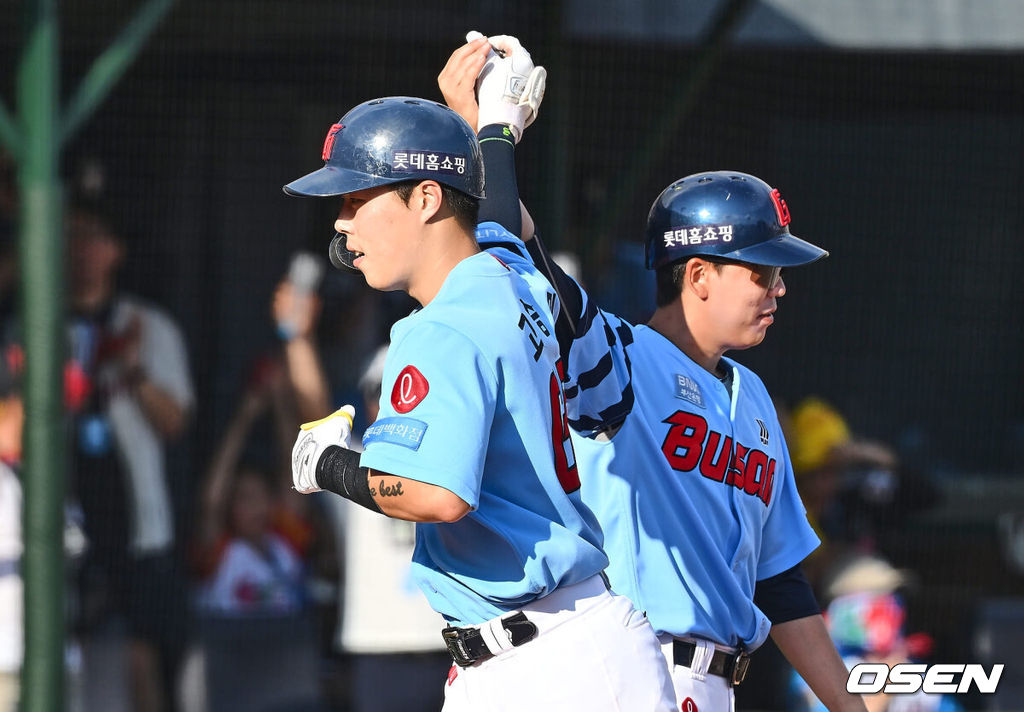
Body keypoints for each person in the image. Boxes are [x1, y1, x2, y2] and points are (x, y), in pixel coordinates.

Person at [439, 35, 868, 712]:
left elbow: (781, 582)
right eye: (761, 272)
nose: (778, 289)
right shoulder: (615, 355)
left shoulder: (753, 397)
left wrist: (850, 705)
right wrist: (487, 132)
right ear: (697, 275)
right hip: (619, 671)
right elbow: (514, 249)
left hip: (713, 686)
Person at [281, 76, 675, 709]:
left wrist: (327, 463)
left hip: (549, 666)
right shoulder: (510, 273)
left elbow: (436, 496)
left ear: (427, 197)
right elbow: (497, 220)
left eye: (357, 199)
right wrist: (491, 130)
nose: (340, 221)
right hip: (563, 643)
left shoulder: (437, 327)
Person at [64, 199, 194, 712]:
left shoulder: (149, 325)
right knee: (70, 648)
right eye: (69, 235)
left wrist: (133, 369)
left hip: (137, 520)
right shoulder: (39, 323)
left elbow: (175, 424)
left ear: (114, 250)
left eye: (90, 235)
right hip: (66, 515)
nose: (78, 248)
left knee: (142, 654)